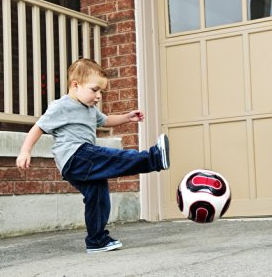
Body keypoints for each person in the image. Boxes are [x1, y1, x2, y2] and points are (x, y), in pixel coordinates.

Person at [16, 58, 170, 253]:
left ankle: (97, 241)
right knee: (113, 157)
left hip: (80, 162)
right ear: (75, 85)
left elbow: (105, 121)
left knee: (98, 197)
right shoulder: (61, 106)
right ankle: (154, 158)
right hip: (76, 156)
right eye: (94, 90)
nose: (98, 96)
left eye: (101, 92)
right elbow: (38, 127)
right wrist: (25, 150)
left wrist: (127, 117)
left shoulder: (90, 108)